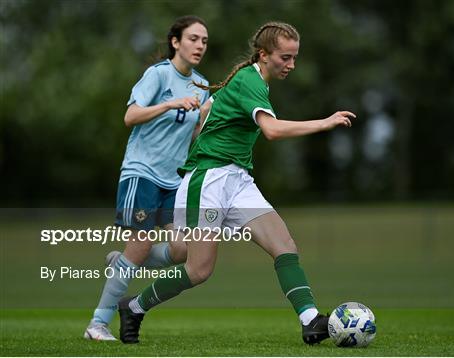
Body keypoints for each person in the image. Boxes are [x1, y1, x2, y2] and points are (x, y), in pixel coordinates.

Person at [117, 21, 355, 345]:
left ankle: (310, 320)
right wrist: (324, 122)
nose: (291, 65)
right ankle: (133, 307)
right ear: (264, 54)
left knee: (284, 247)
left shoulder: (255, 82)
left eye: (294, 57)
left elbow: (211, 118)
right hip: (208, 180)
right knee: (198, 270)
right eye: (285, 57)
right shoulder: (249, 81)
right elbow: (270, 130)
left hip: (237, 180)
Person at [84, 15, 211, 341]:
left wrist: (206, 119)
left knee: (183, 250)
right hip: (142, 173)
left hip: (174, 181)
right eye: (193, 38)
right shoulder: (157, 75)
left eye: (204, 41)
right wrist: (170, 103)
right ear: (175, 42)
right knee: (140, 242)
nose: (199, 45)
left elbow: (194, 132)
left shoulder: (201, 83)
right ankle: (98, 324)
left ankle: (123, 262)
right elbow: (131, 115)